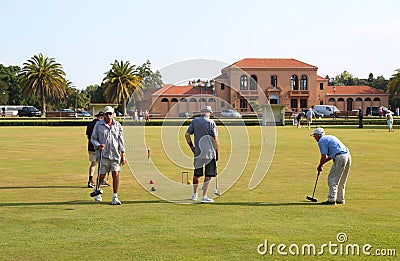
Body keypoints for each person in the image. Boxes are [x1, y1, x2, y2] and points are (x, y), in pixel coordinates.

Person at [91, 106, 126, 205]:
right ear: (104, 115)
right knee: (102, 175)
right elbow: (93, 138)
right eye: (107, 114)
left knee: (116, 174)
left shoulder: (118, 125)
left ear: (113, 114)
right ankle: (97, 190)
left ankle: (115, 196)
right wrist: (98, 145)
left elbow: (121, 140)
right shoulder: (98, 125)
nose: (109, 116)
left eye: (111, 114)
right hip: (103, 155)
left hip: (115, 154)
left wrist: (123, 154)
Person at [185, 105, 220, 203]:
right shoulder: (211, 123)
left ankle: (194, 195)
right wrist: (217, 152)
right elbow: (215, 139)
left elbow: (187, 134)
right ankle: (204, 196)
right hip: (210, 153)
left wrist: (192, 147)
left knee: (197, 174)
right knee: (208, 175)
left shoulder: (195, 121)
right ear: (209, 113)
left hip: (198, 153)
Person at [311, 127, 351, 205]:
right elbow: (331, 156)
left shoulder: (321, 141)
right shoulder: (329, 137)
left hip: (340, 157)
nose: (314, 137)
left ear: (318, 135)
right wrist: (322, 164)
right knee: (341, 180)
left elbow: (323, 156)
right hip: (347, 156)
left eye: (314, 135)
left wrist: (320, 166)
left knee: (332, 179)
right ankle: (340, 199)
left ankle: (331, 200)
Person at [85, 111, 104, 188]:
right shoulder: (101, 125)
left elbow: (88, 137)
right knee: (101, 165)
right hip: (99, 147)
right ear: (102, 117)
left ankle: (90, 180)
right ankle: (101, 180)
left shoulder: (90, 124)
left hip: (91, 147)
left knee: (93, 164)